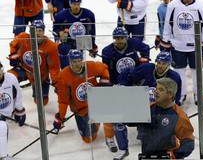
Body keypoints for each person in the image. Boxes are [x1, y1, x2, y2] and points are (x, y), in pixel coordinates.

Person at [156, 0, 203, 105]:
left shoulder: (201, 8)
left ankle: (198, 94)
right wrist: (165, 41)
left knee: (196, 72)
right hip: (177, 45)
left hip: (195, 47)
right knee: (179, 72)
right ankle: (180, 94)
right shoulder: (173, 6)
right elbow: (168, 25)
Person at [53, 49, 117, 152]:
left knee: (109, 113)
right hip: (81, 110)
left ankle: (109, 137)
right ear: (70, 62)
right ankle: (95, 124)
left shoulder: (91, 66)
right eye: (74, 61)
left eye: (79, 61)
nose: (77, 64)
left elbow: (104, 67)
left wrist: (104, 80)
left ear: (82, 60)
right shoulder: (63, 76)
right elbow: (63, 101)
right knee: (88, 139)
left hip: (96, 102)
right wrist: (60, 117)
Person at [101, 27, 150, 160]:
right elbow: (107, 70)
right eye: (117, 38)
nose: (120, 40)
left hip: (136, 84)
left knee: (141, 115)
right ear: (114, 39)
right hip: (119, 86)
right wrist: (110, 85)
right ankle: (122, 147)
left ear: (126, 37)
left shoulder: (134, 43)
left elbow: (146, 49)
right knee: (117, 118)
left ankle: (144, 136)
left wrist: (143, 61)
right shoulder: (107, 51)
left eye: (122, 37)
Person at [137, 77, 195, 159]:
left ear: (170, 94)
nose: (155, 91)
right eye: (156, 88)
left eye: (160, 89)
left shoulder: (179, 116)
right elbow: (132, 122)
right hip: (147, 156)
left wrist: (172, 156)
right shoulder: (149, 108)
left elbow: (188, 143)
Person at [7, 20, 60, 105]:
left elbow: (54, 68)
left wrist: (57, 84)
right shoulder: (23, 37)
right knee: (10, 76)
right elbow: (12, 44)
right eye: (35, 30)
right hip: (24, 69)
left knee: (42, 102)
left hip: (40, 76)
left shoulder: (51, 46)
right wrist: (14, 55)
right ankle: (10, 101)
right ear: (30, 31)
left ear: (43, 32)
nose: (37, 33)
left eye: (40, 31)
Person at [118, 51, 182, 106]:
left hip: (161, 108)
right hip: (140, 104)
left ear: (168, 65)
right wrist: (123, 86)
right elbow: (128, 75)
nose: (160, 66)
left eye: (164, 64)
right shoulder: (146, 68)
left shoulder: (174, 78)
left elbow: (175, 98)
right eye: (159, 62)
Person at [53, 0, 97, 69]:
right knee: (63, 48)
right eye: (74, 4)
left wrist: (92, 46)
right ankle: (65, 71)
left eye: (78, 4)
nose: (76, 6)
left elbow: (92, 32)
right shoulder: (61, 15)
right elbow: (55, 30)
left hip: (81, 41)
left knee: (78, 62)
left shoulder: (89, 15)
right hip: (66, 41)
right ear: (70, 3)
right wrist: (59, 32)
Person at [0, 61, 26, 159]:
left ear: (1, 68)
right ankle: (3, 156)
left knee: (3, 130)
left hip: (6, 114)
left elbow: (18, 94)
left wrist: (19, 111)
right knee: (2, 128)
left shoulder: (10, 78)